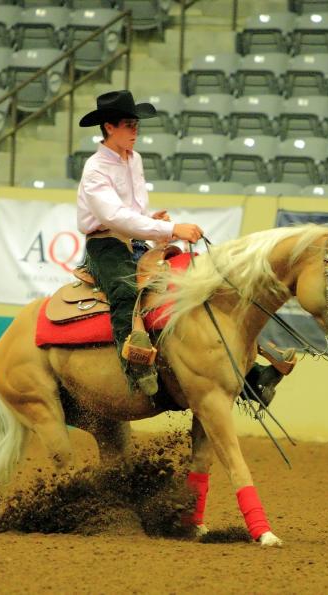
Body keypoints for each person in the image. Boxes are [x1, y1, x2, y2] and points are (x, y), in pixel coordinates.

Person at [77, 90, 293, 401]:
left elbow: (129, 214)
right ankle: (134, 366)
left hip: (134, 239)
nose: (135, 131)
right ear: (109, 127)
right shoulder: (96, 168)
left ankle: (248, 373)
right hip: (105, 245)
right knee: (124, 291)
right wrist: (169, 228)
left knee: (193, 287)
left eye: (137, 124)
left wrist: (152, 224)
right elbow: (113, 216)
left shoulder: (133, 159)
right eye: (129, 125)